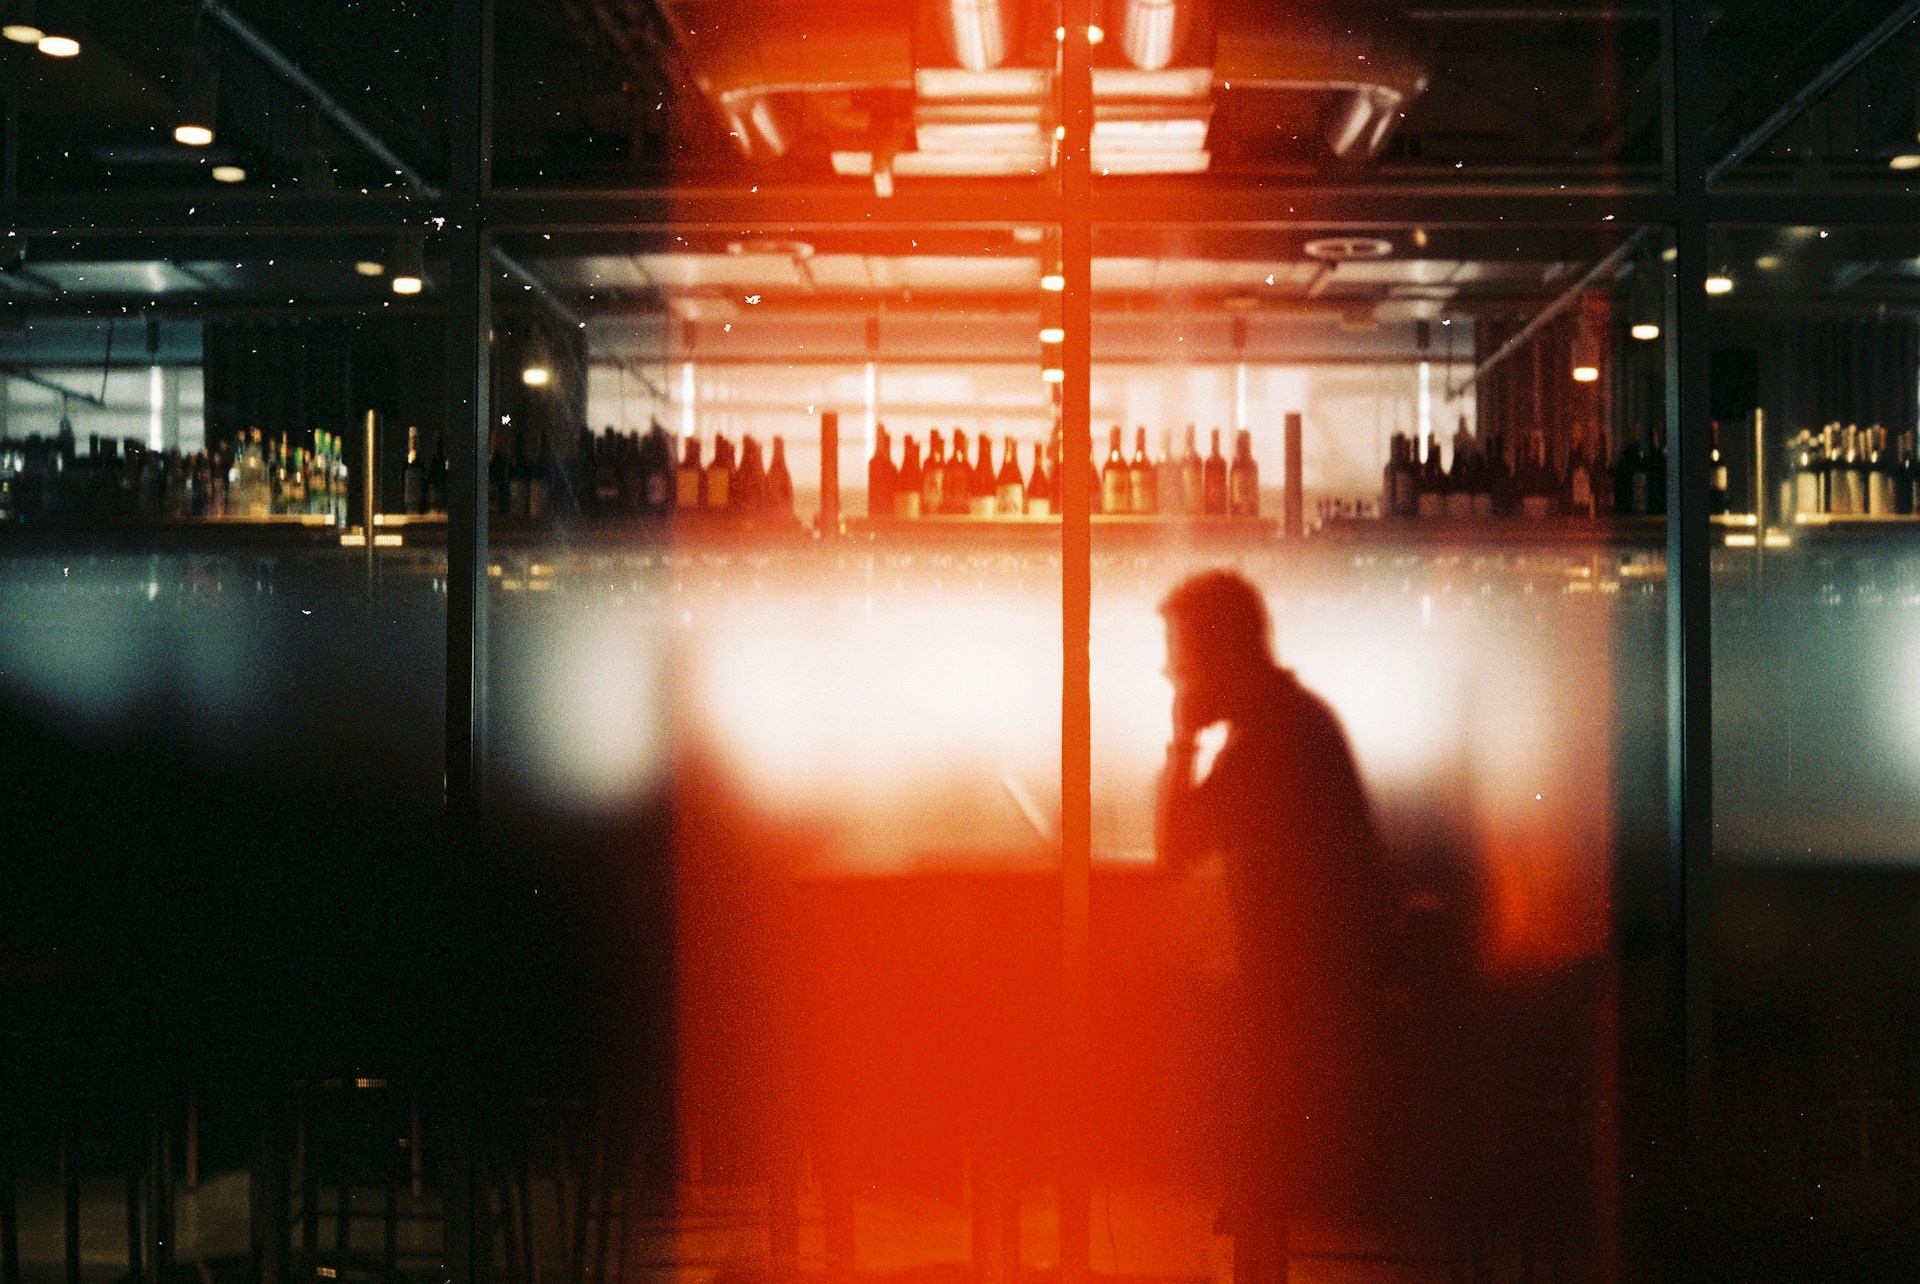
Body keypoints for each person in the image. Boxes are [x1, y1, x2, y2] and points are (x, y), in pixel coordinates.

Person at [1154, 570, 1389, 1284]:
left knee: (1164, 1030)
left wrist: (1182, 739)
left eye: (1183, 661)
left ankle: (1251, 1234)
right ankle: (1250, 1226)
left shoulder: (1268, 744)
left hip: (1310, 1015)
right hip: (1325, 994)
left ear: (1223, 659)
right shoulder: (1289, 723)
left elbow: (1174, 848)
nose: (1172, 675)